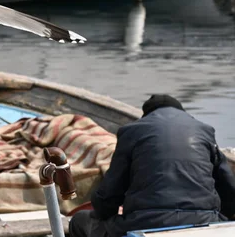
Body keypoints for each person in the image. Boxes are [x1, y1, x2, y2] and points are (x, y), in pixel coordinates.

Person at [69, 94, 235, 237]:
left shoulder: (132, 131)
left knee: (79, 221)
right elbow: (229, 190)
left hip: (145, 224)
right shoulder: (205, 131)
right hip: (204, 222)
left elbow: (109, 195)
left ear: (147, 115)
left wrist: (105, 214)